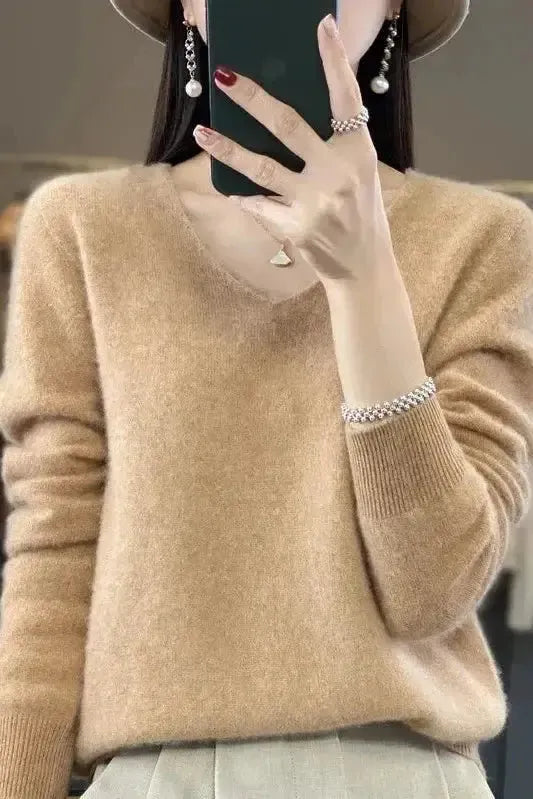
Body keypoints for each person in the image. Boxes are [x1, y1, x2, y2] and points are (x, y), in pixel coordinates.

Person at [0, 0, 532, 796]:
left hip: (399, 774)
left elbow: (434, 590)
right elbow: (53, 553)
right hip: (155, 777)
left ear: (393, 7)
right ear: (186, 8)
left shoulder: (483, 239)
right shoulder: (81, 229)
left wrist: (365, 278)